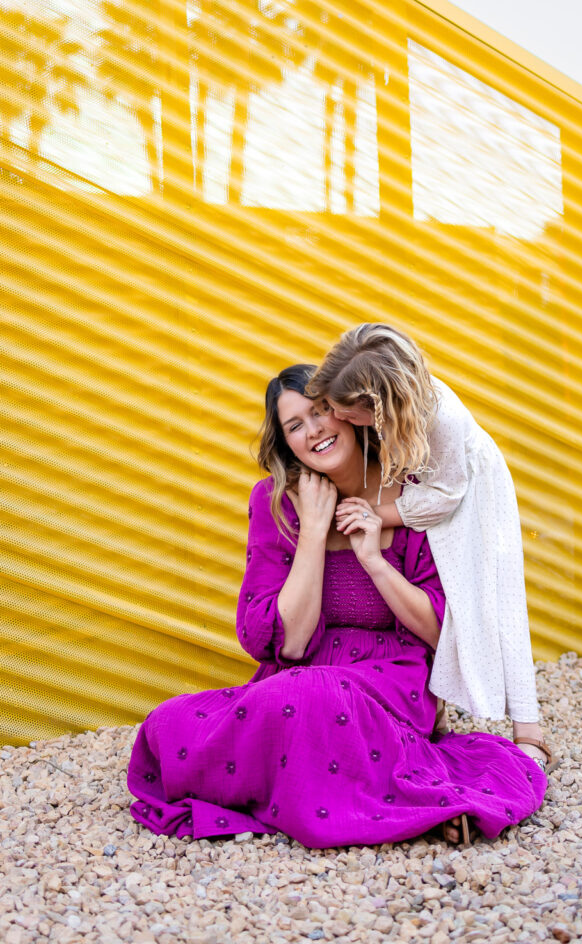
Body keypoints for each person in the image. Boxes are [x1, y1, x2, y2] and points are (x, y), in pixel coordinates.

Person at [127, 365, 546, 848]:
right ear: (286, 445)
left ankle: (407, 802)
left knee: (312, 700)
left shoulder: (414, 494)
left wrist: (374, 561)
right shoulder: (275, 502)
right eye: (295, 426)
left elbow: (443, 631)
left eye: (320, 412)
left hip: (394, 677)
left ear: (349, 413)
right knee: (166, 724)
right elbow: (288, 644)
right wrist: (311, 530)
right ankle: (383, 796)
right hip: (295, 678)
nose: (314, 431)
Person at [306, 324, 552, 773]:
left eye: (348, 414)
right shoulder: (398, 406)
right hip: (430, 493)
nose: (341, 421)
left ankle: (528, 728)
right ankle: (431, 698)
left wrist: (379, 515)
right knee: (435, 598)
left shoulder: (444, 419)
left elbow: (445, 496)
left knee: (491, 599)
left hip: (471, 501)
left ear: (377, 405)